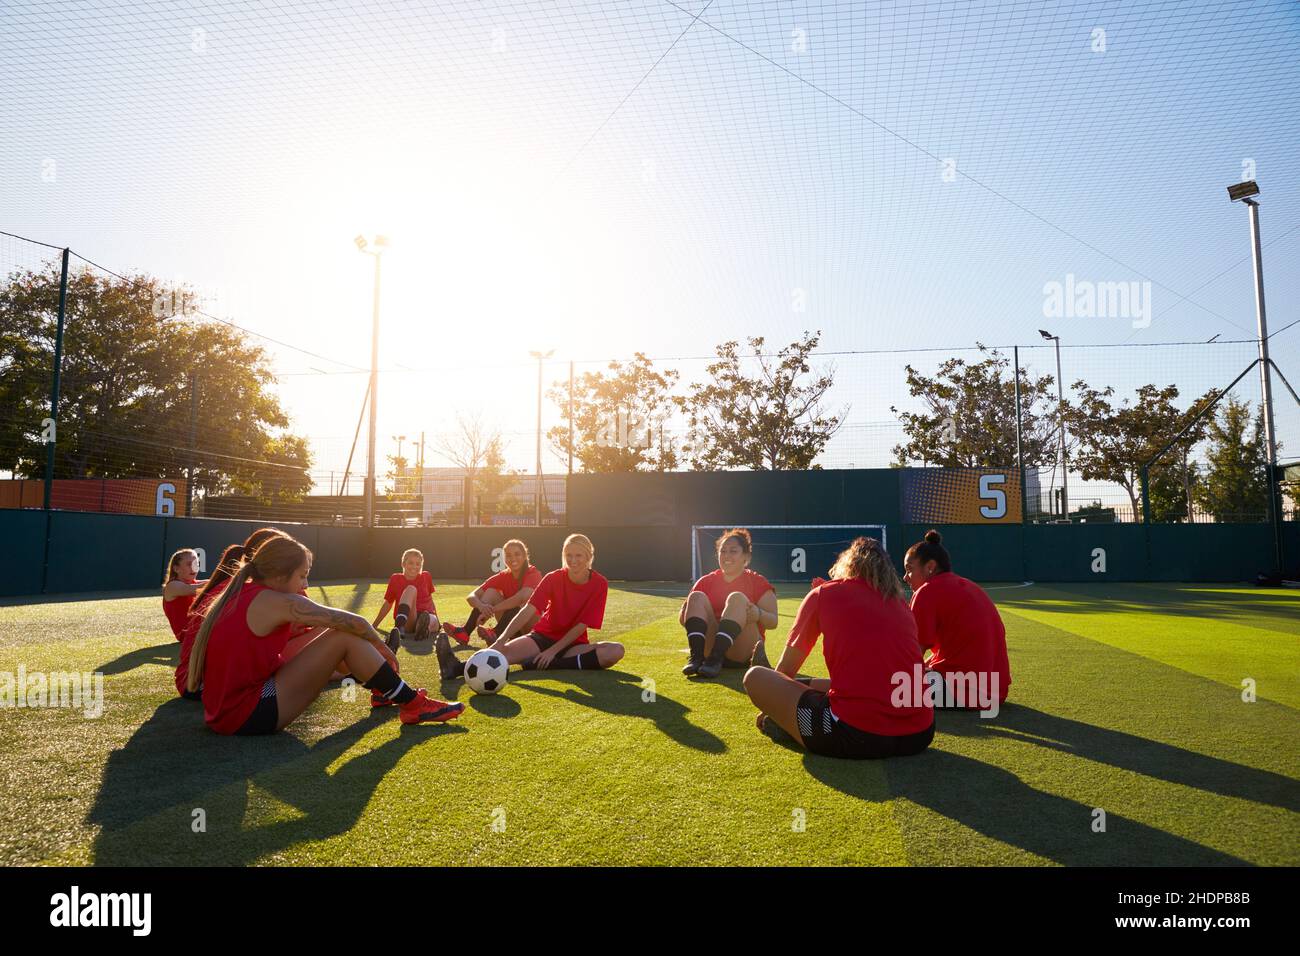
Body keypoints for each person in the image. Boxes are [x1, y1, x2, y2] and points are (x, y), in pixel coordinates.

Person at [188, 534, 463, 734]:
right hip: (247, 714)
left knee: (337, 636)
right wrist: (381, 646)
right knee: (342, 635)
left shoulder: (242, 593)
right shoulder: (274, 600)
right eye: (302, 576)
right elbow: (354, 622)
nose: (305, 584)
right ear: (280, 575)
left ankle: (387, 692)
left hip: (225, 711)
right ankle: (412, 703)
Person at [743, 536, 934, 759]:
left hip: (855, 736)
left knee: (755, 677)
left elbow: (786, 671)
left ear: (846, 564)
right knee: (862, 681)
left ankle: (787, 725)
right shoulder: (900, 604)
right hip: (920, 734)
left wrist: (773, 702)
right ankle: (795, 701)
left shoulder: (823, 594)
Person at [435, 533, 623, 677]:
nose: (573, 560)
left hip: (572, 644)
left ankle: (549, 663)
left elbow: (582, 625)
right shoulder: (553, 578)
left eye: (579, 555)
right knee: (503, 653)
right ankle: (456, 667)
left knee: (615, 651)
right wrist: (502, 639)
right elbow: (528, 610)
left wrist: (552, 652)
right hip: (543, 637)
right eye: (569, 555)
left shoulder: (600, 583)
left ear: (589, 556)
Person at [904, 529, 1011, 709]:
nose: (905, 577)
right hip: (996, 692)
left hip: (962, 692)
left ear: (930, 567)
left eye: (909, 570)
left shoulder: (926, 592)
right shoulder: (969, 586)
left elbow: (912, 653)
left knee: (883, 680)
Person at [680, 528, 778, 678]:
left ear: (746, 556)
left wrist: (758, 614)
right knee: (696, 596)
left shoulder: (757, 582)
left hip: (741, 651)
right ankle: (697, 658)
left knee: (737, 598)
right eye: (723, 551)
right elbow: (683, 620)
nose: (727, 555)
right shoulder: (706, 581)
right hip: (709, 648)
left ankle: (715, 659)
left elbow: (773, 622)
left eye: (733, 551)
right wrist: (689, 609)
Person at [442, 539, 542, 645]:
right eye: (508, 555)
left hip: (533, 630)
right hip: (513, 630)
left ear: (525, 556)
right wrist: (482, 607)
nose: (513, 558)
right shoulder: (504, 575)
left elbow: (521, 598)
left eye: (517, 554)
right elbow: (471, 596)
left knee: (523, 602)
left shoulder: (533, 573)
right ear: (504, 559)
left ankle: (496, 633)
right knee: (491, 592)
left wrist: (493, 609)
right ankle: (465, 632)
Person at [372, 549, 439, 652]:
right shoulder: (395, 579)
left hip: (427, 615)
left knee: (429, 617)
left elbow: (430, 600)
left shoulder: (426, 576)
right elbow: (388, 603)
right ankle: (400, 627)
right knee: (410, 589)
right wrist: (374, 625)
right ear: (403, 564)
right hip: (408, 619)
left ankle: (423, 629)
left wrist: (438, 620)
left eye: (418, 564)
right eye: (411, 563)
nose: (414, 567)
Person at [162, 548, 205, 640]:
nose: (194, 567)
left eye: (196, 564)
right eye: (189, 564)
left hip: (199, 631)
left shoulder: (193, 582)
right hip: (187, 635)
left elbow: (210, 582)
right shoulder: (172, 586)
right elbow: (195, 589)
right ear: (176, 569)